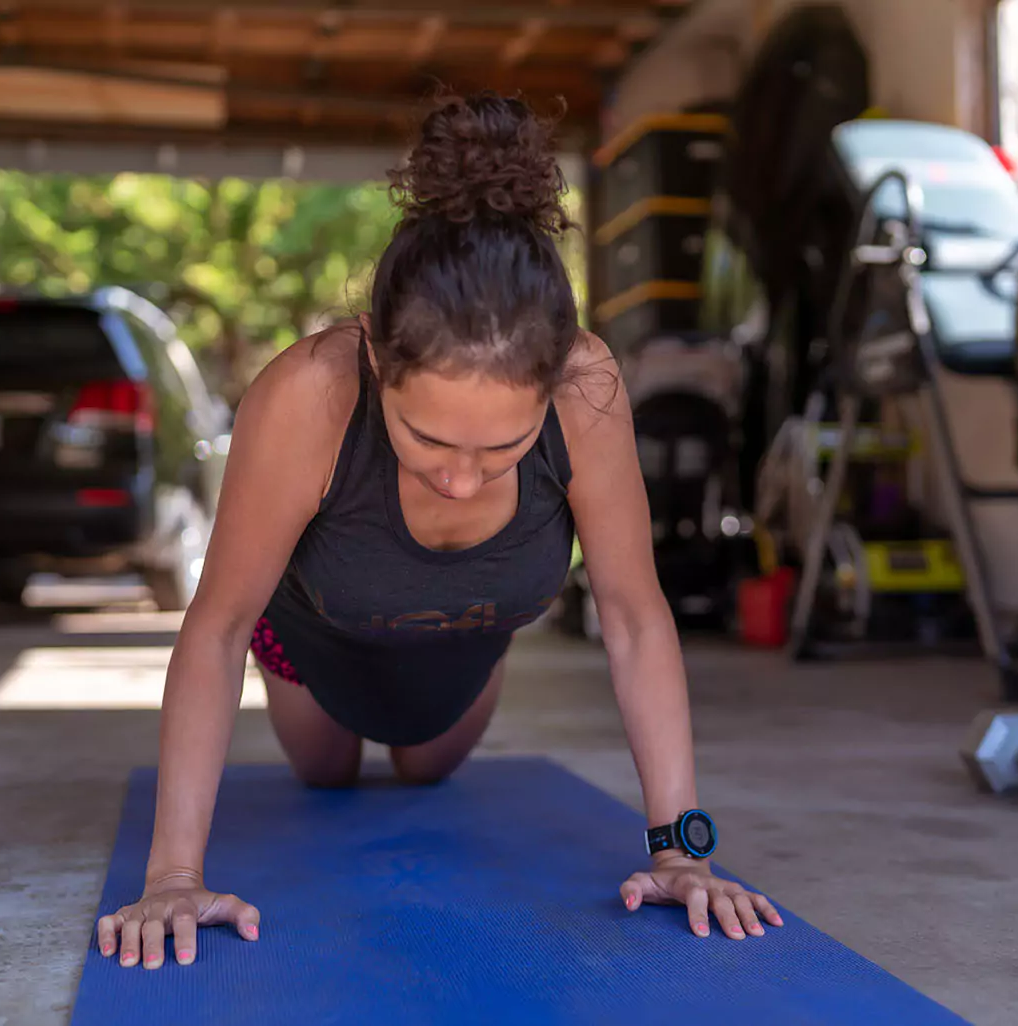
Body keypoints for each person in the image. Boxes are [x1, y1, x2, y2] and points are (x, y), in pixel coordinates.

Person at [95, 92, 784, 970]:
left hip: (462, 644)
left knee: (426, 769)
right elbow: (217, 622)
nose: (462, 478)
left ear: (550, 388)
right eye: (427, 439)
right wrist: (173, 875)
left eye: (504, 446)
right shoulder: (308, 394)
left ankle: (452, 660)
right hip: (315, 641)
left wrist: (684, 850)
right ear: (378, 360)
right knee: (326, 775)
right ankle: (305, 671)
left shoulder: (588, 386)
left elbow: (636, 616)